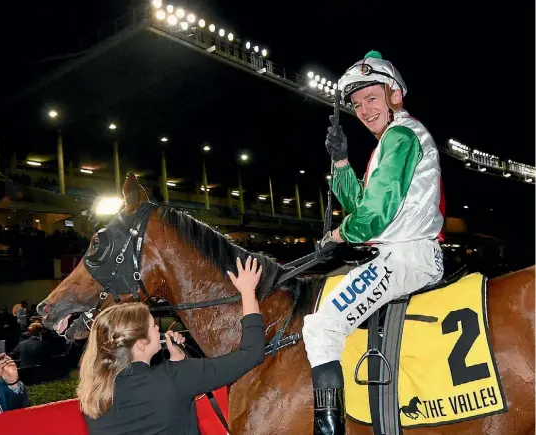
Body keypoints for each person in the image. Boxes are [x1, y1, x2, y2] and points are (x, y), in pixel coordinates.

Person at [303, 50, 445, 434]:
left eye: (371, 98)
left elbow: (374, 216)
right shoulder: (393, 140)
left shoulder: (401, 136)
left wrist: (338, 234)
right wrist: (341, 162)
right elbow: (361, 203)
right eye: (357, 104)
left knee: (319, 327)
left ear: (394, 94)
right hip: (402, 253)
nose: (364, 110)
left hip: (405, 257)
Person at [78, 256, 265, 435]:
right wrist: (248, 292)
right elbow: (251, 353)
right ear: (141, 343)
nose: (158, 329)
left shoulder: (95, 395)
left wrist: (178, 362)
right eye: (153, 326)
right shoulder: (176, 378)